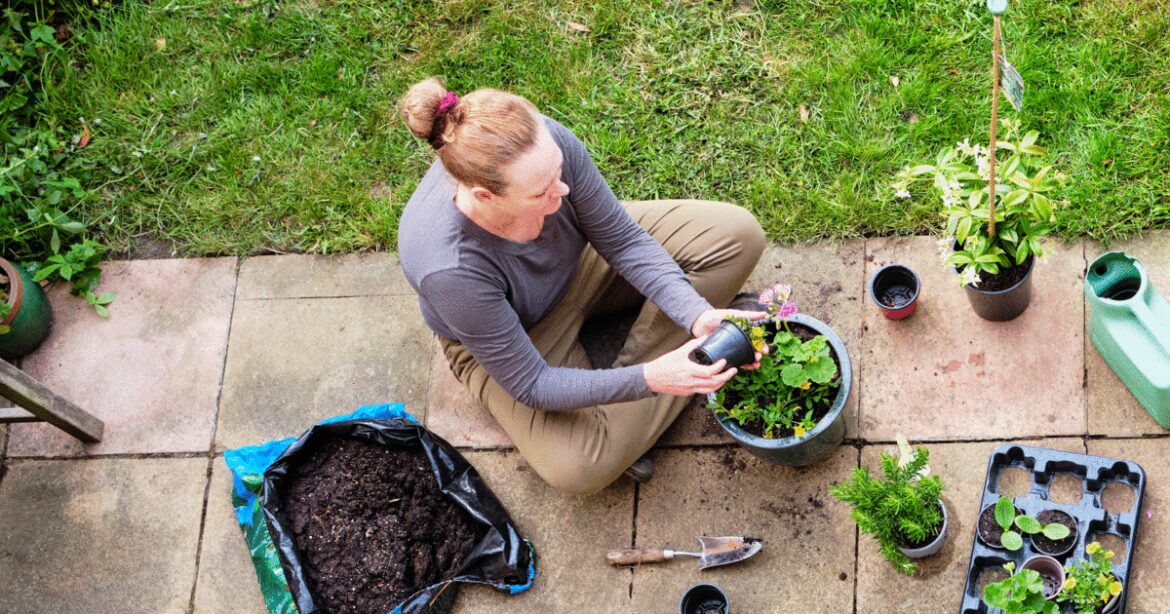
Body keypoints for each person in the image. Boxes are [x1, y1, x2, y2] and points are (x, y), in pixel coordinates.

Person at [398, 77, 766, 495]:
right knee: (580, 469)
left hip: (585, 260)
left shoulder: (540, 142)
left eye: (557, 171)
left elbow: (622, 240)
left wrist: (695, 314)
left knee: (737, 235)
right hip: (520, 332)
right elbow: (533, 384)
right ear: (485, 196)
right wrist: (650, 377)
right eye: (542, 192)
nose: (563, 190)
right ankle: (650, 397)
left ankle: (632, 416)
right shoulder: (449, 269)